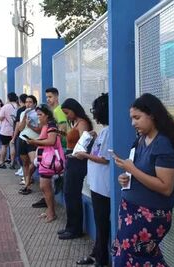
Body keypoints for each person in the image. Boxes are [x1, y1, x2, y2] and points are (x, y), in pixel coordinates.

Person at [112, 93, 174, 267]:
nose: (133, 123)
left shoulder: (163, 144)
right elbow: (140, 173)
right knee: (135, 257)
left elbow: (165, 187)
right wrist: (126, 177)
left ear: (152, 115)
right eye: (132, 118)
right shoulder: (141, 140)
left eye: (137, 118)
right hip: (131, 211)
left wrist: (132, 169)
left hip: (149, 215)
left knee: (132, 259)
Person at [75, 93, 111, 267]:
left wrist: (85, 155)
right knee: (99, 223)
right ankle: (97, 253)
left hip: (104, 188)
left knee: (103, 223)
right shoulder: (104, 131)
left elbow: (104, 159)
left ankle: (102, 259)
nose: (94, 113)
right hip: (97, 185)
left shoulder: (111, 131)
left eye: (95, 109)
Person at [57, 98, 93, 240]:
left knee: (72, 195)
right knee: (69, 194)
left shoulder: (82, 123)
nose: (66, 116)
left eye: (67, 112)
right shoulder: (76, 123)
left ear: (74, 109)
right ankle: (70, 226)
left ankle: (75, 229)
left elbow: (84, 143)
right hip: (71, 159)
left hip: (77, 162)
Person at [32, 87, 68, 209]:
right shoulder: (52, 111)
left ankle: (52, 209)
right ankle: (49, 206)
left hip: (57, 151)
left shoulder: (58, 111)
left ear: (57, 97)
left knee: (50, 182)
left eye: (50, 97)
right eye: (47, 97)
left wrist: (52, 132)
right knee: (47, 183)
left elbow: (63, 130)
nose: (48, 99)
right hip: (51, 151)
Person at [26, 104, 59, 223]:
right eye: (37, 115)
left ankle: (52, 212)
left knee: (45, 186)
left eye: (40, 115)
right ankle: (50, 210)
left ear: (47, 115)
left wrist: (34, 141)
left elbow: (51, 140)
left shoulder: (51, 125)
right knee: (44, 187)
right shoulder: (45, 125)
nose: (38, 117)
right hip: (44, 159)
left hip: (48, 160)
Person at [17, 95, 40, 195]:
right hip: (22, 139)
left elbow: (40, 130)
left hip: (33, 141)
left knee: (33, 161)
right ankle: (27, 184)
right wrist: (24, 118)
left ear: (35, 103)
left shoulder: (38, 114)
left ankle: (29, 179)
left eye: (30, 102)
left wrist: (30, 125)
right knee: (25, 163)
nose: (28, 104)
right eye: (26, 102)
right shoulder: (23, 113)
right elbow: (20, 128)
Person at [0, 92, 18, 169]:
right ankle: (12, 163)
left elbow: (0, 118)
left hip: (5, 130)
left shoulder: (5, 107)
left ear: (8, 98)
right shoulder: (18, 106)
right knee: (12, 146)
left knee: (4, 146)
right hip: (15, 130)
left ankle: (2, 162)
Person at [11, 93, 27, 177]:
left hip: (20, 134)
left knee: (20, 153)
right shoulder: (29, 109)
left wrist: (14, 137)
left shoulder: (20, 110)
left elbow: (17, 124)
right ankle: (22, 170)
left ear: (20, 101)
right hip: (28, 135)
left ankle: (22, 169)